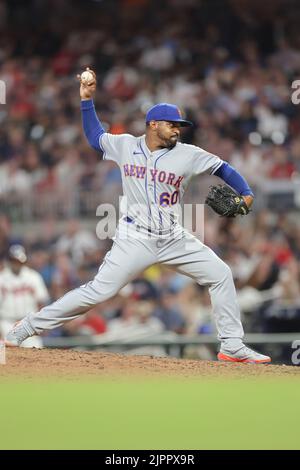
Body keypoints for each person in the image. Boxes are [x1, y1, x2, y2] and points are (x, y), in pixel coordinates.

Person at [6, 68, 271, 363]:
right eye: (172, 124)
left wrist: (245, 193)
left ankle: (232, 345)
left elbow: (223, 168)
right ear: (153, 124)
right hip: (134, 237)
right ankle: (25, 328)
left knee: (220, 273)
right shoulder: (126, 145)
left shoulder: (188, 153)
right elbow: (95, 137)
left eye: (180, 126)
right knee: (97, 292)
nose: (177, 130)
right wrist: (86, 100)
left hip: (173, 237)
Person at [0, 245, 49, 347]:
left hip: (28, 323)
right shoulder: (2, 278)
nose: (16, 263)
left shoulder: (33, 277)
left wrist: (42, 323)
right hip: (6, 322)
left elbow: (41, 301)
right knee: (5, 357)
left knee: (35, 353)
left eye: (19, 261)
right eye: (14, 260)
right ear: (9, 260)